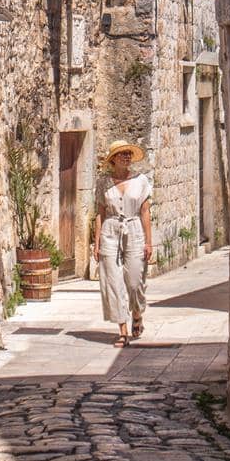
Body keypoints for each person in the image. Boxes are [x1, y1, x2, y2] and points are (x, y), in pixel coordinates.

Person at [93, 140, 153, 348]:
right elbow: (100, 213)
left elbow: (145, 212)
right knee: (113, 281)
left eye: (128, 154)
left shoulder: (141, 181)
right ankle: (122, 330)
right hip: (110, 231)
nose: (126, 157)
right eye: (122, 154)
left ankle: (137, 313)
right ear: (113, 159)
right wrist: (96, 242)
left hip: (134, 229)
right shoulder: (103, 183)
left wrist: (149, 242)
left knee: (135, 281)